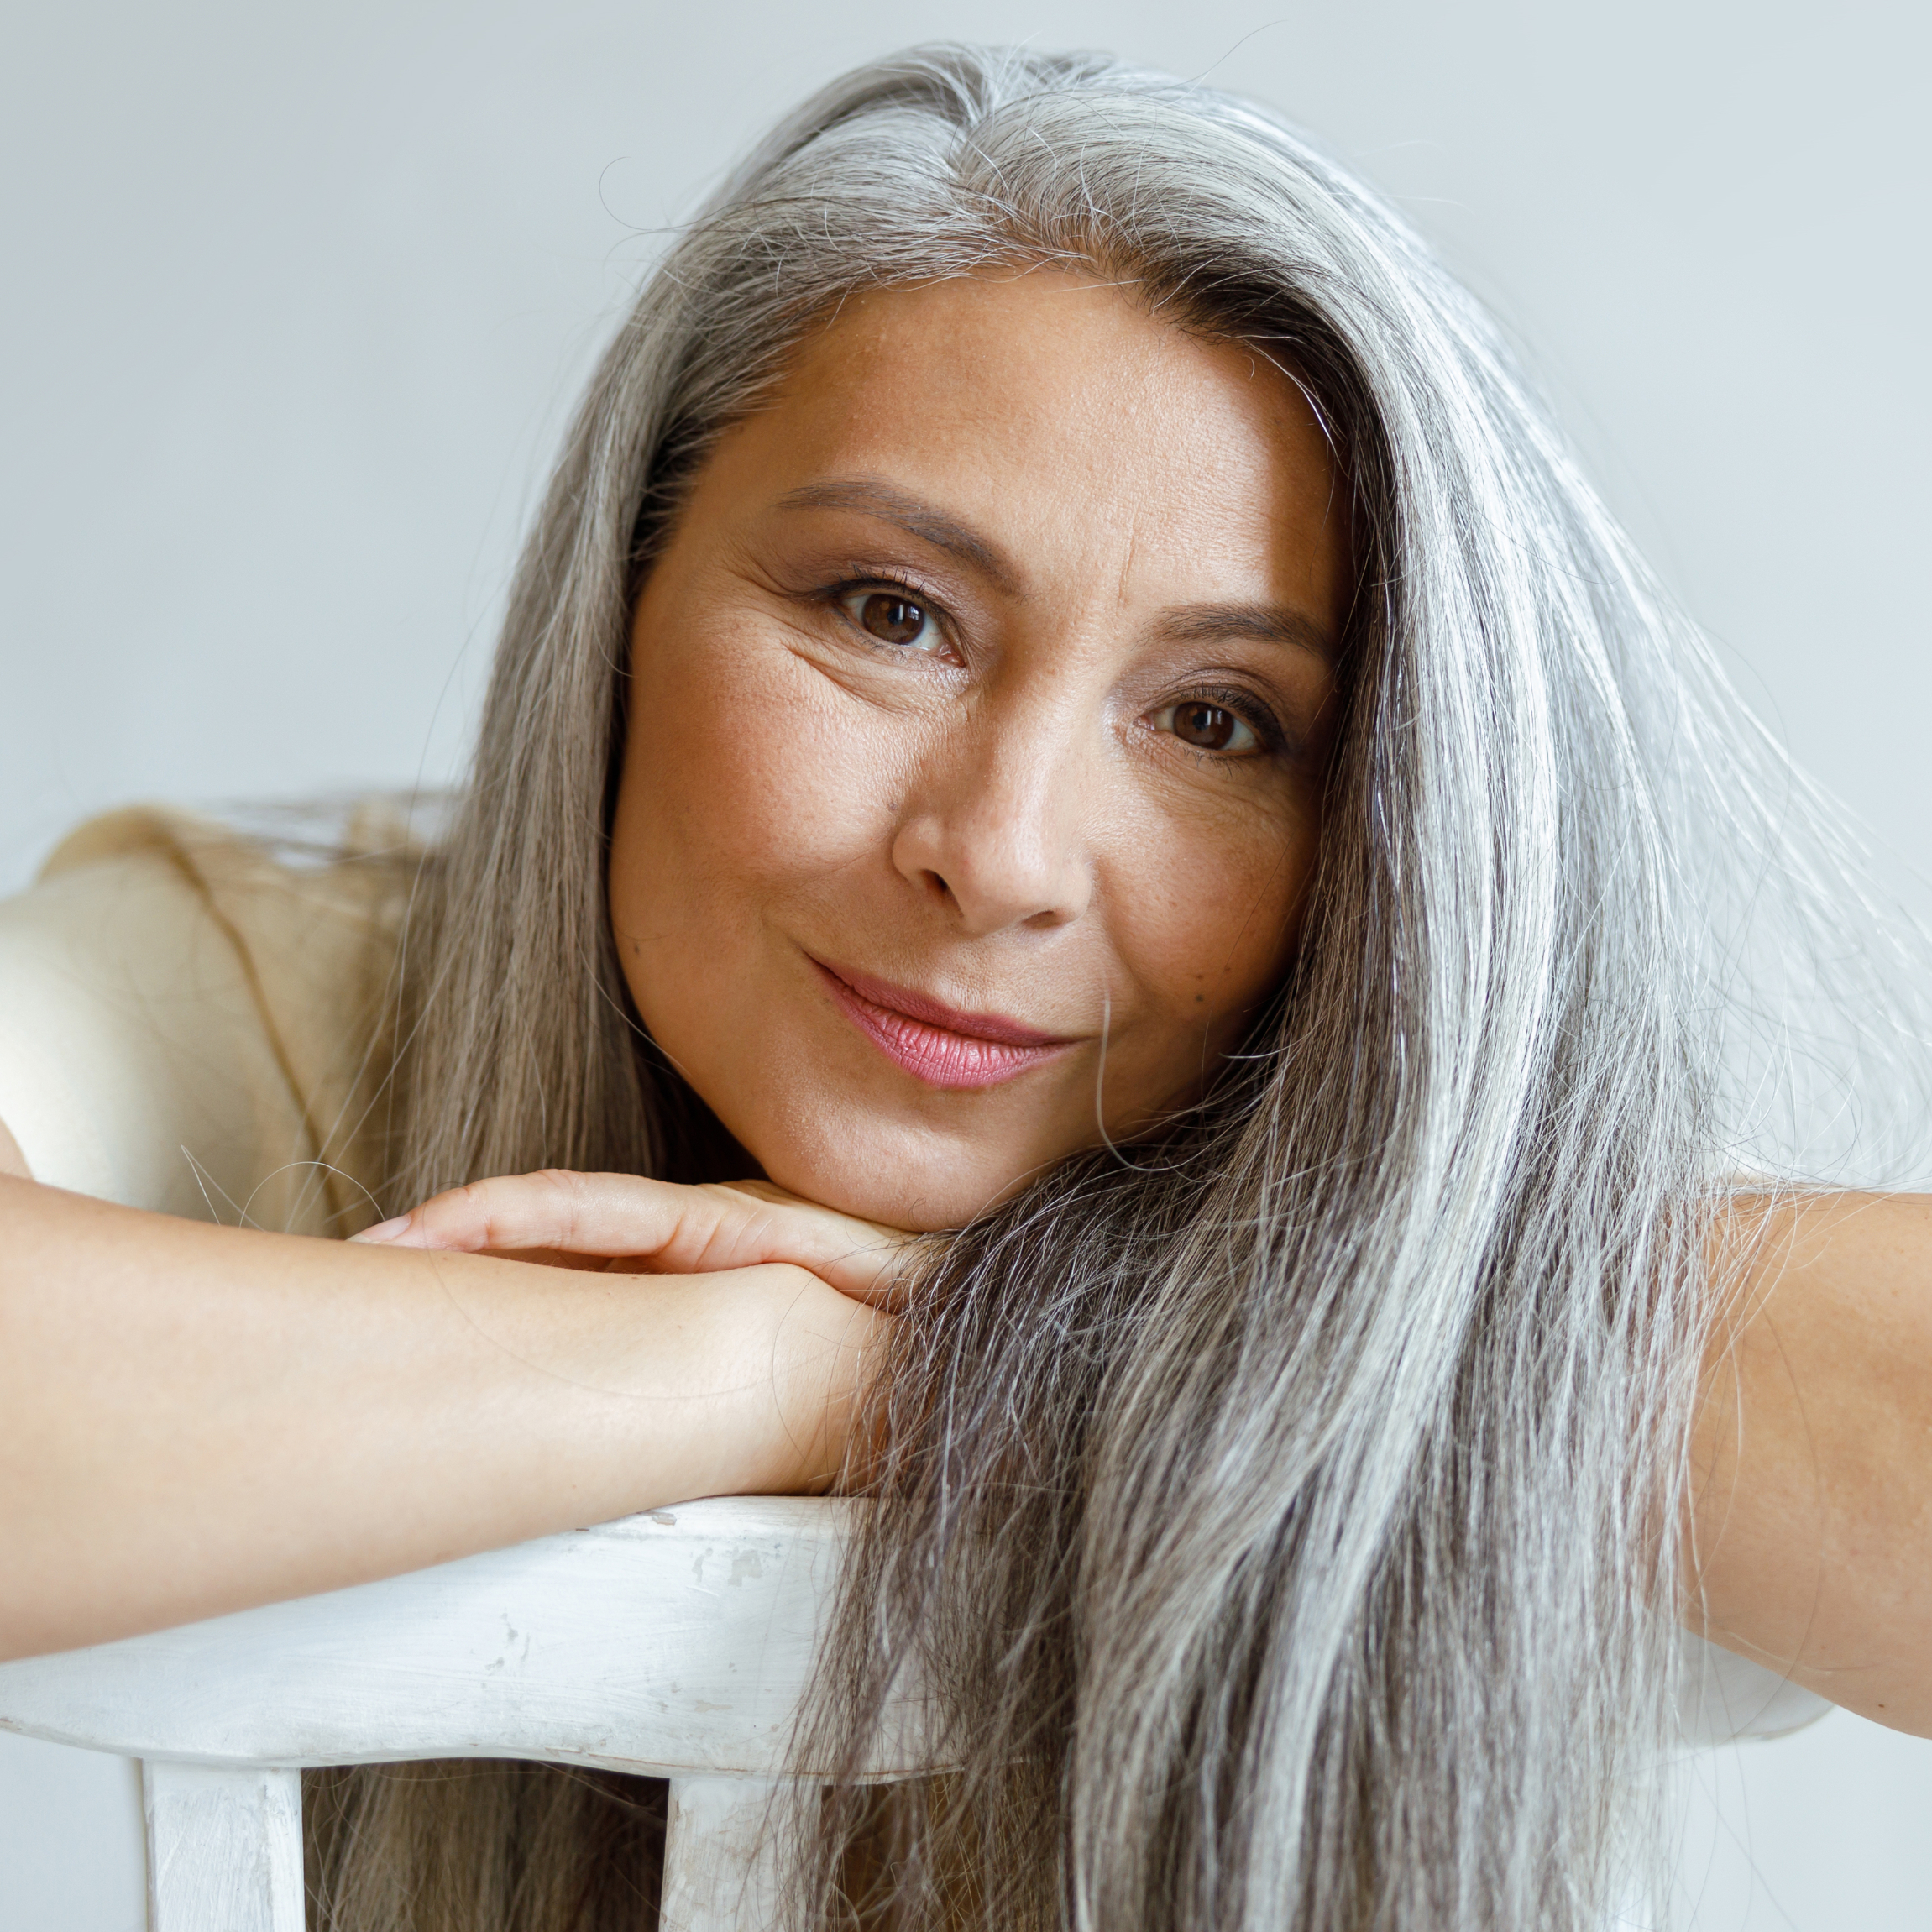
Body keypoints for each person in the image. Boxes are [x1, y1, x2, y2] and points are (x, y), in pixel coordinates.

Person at [2, 41, 1929, 1932]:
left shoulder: (1410, 1136)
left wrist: (1026, 1340)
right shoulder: (273, 986)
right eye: (890, 612)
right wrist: (773, 1364)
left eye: (1214, 719)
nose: (998, 852)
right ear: (623, 600)